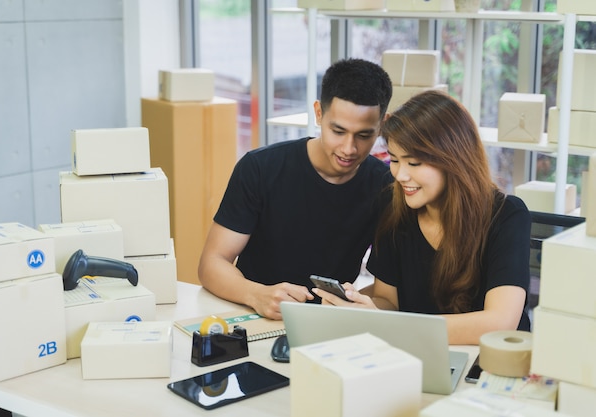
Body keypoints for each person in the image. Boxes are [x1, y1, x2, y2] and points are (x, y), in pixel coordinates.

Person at [314, 90, 531, 345]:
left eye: (414, 163)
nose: (400, 175)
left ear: (453, 160)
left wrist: (388, 326)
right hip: (419, 353)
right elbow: (388, 300)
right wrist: (359, 307)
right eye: (394, 160)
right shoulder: (394, 207)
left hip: (489, 365)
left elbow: (499, 323)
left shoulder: (507, 215)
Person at [198, 58, 393, 320]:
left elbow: (388, 297)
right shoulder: (260, 168)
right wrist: (256, 295)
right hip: (252, 313)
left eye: (364, 135)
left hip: (329, 322)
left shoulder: (386, 187)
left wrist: (354, 304)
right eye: (338, 131)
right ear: (318, 113)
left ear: (382, 124)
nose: (349, 148)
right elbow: (212, 263)